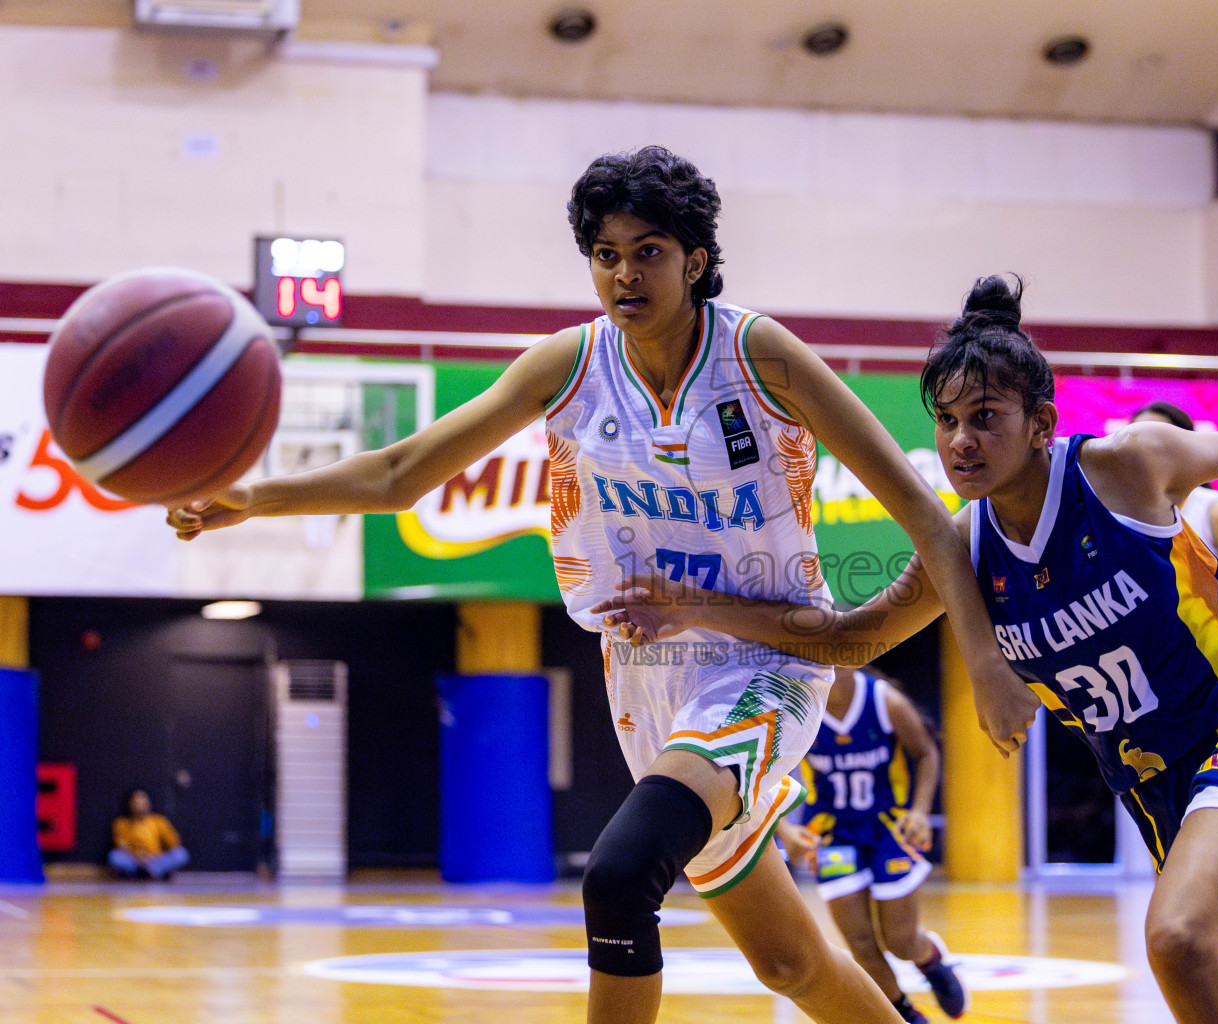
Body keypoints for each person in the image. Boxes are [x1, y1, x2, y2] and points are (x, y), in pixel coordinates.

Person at [166, 147, 1027, 1024]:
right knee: (790, 961)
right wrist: (253, 496)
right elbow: (401, 475)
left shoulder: (760, 355)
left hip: (763, 663)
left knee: (620, 880)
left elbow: (926, 515)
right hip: (644, 681)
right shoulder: (567, 367)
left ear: (694, 260)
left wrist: (988, 665)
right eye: (605, 253)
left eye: (648, 250)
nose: (624, 273)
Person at [593, 274, 1218, 1024]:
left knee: (1179, 939)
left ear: (1040, 422)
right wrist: (693, 607)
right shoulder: (961, 552)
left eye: (986, 417)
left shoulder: (1124, 467)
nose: (962, 440)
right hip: (1174, 793)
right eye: (948, 421)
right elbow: (848, 638)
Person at [776, 666, 967, 1023]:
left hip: (890, 828)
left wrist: (922, 811)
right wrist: (785, 830)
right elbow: (768, 769)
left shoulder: (885, 701)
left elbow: (926, 752)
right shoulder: (798, 704)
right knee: (860, 942)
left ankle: (930, 958)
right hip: (832, 833)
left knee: (900, 939)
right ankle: (905, 1013)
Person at [1129, 401, 1218, 556]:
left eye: (1156, 438)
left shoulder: (1216, 511)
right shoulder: (1116, 508)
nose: (1145, 447)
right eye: (1135, 438)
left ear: (1187, 446)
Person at [109, 789, 188, 881]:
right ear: (130, 804)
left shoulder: (159, 821)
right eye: (136, 802)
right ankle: (145, 872)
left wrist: (155, 856)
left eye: (143, 801)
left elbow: (174, 843)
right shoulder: (121, 823)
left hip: (156, 859)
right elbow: (121, 845)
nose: (139, 805)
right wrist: (138, 857)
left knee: (181, 854)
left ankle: (149, 872)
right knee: (115, 856)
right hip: (134, 860)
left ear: (149, 803)